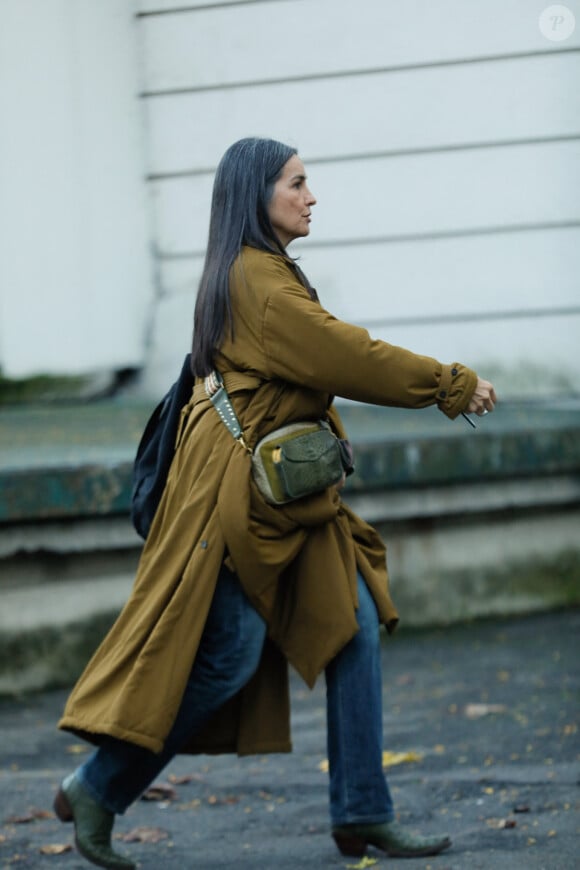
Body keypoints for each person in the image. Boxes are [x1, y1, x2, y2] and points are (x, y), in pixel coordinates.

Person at [55, 137, 496, 869]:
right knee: (226, 658)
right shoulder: (256, 279)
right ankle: (98, 785)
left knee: (354, 625)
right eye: (297, 183)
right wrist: (449, 385)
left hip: (286, 495)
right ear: (257, 196)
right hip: (239, 502)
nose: (311, 196)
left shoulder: (262, 271)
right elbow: (346, 355)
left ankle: (362, 811)